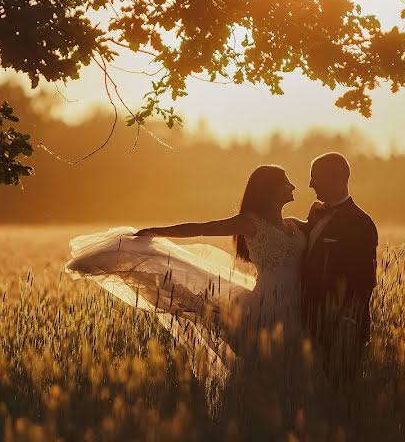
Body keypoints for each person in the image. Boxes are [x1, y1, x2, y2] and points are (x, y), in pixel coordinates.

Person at [64, 165, 307, 394]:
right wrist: (157, 232)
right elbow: (202, 228)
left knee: (298, 362)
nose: (293, 187)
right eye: (287, 183)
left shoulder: (295, 225)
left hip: (300, 302)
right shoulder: (250, 223)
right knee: (271, 362)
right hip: (268, 305)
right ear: (270, 189)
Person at [297, 152, 377, 377]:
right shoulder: (317, 215)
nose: (310, 183)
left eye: (315, 177)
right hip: (310, 324)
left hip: (342, 329)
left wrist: (347, 321)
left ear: (336, 178)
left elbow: (364, 281)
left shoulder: (361, 223)